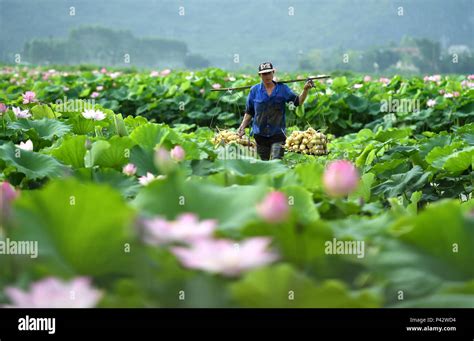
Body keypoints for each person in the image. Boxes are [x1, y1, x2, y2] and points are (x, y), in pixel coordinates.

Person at [237, 61, 314, 160]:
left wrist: (305, 90)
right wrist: (242, 126)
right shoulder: (254, 90)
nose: (267, 76)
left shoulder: (283, 89)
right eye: (264, 74)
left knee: (276, 161)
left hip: (278, 134)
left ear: (273, 72)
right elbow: (249, 111)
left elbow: (298, 101)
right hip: (260, 135)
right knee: (262, 164)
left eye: (269, 73)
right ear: (259, 75)